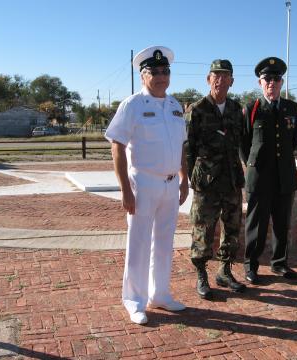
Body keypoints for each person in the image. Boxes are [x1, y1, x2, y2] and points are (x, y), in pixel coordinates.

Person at [105, 45, 189, 324]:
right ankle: (134, 300)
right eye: (154, 72)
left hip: (170, 184)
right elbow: (117, 146)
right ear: (143, 76)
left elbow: (181, 146)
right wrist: (125, 190)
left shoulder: (176, 105)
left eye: (165, 71)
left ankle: (160, 294)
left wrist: (184, 178)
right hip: (143, 182)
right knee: (139, 243)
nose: (161, 76)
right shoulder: (132, 105)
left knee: (164, 242)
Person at [185, 59, 246, 300]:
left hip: (231, 179)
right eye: (215, 75)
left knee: (232, 227)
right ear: (208, 80)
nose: (220, 80)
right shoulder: (197, 110)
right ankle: (202, 275)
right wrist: (192, 178)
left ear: (231, 81)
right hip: (207, 181)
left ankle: (224, 271)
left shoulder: (235, 108)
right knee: (203, 228)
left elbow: (239, 142)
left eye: (225, 76)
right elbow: (188, 149)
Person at [240, 57, 297, 284]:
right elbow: (243, 144)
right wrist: (253, 167)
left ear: (281, 82)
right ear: (260, 82)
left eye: (276, 79)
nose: (272, 83)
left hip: (284, 176)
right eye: (267, 79)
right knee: (256, 223)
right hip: (260, 177)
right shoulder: (251, 109)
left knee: (282, 223)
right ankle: (251, 266)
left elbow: (293, 139)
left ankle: (279, 263)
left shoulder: (292, 109)